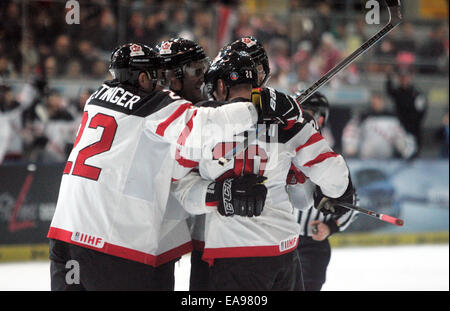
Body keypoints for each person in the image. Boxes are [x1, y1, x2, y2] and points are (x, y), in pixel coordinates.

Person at [47, 43, 295, 290]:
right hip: (117, 244)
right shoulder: (160, 106)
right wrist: (258, 107)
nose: (204, 77)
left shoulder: (97, 96)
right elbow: (197, 134)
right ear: (165, 77)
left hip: (66, 233)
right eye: (196, 70)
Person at [174, 48, 355, 291]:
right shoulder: (287, 118)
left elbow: (182, 189)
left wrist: (218, 194)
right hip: (285, 252)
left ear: (219, 84)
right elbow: (335, 176)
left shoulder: (203, 120)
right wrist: (338, 190)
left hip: (233, 253)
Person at [286, 92, 359, 291]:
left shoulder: (329, 153)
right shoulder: (280, 146)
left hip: (311, 245)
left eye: (309, 112)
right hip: (279, 239)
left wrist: (331, 227)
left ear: (321, 118)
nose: (304, 116)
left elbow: (352, 202)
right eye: (301, 111)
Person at [342, 93, 416, 159]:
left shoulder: (392, 119)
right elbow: (351, 131)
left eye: (378, 101)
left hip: (387, 160)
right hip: (365, 160)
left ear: (382, 102)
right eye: (373, 102)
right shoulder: (363, 117)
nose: (375, 104)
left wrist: (405, 149)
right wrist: (350, 146)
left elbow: (401, 136)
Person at [385, 70, 427, 157]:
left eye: (405, 78)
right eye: (402, 78)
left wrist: (414, 122)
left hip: (414, 128)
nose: (404, 80)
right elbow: (389, 91)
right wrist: (389, 78)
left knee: (413, 153)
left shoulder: (416, 94)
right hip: (400, 126)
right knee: (399, 151)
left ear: (409, 79)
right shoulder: (398, 92)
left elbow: (422, 111)